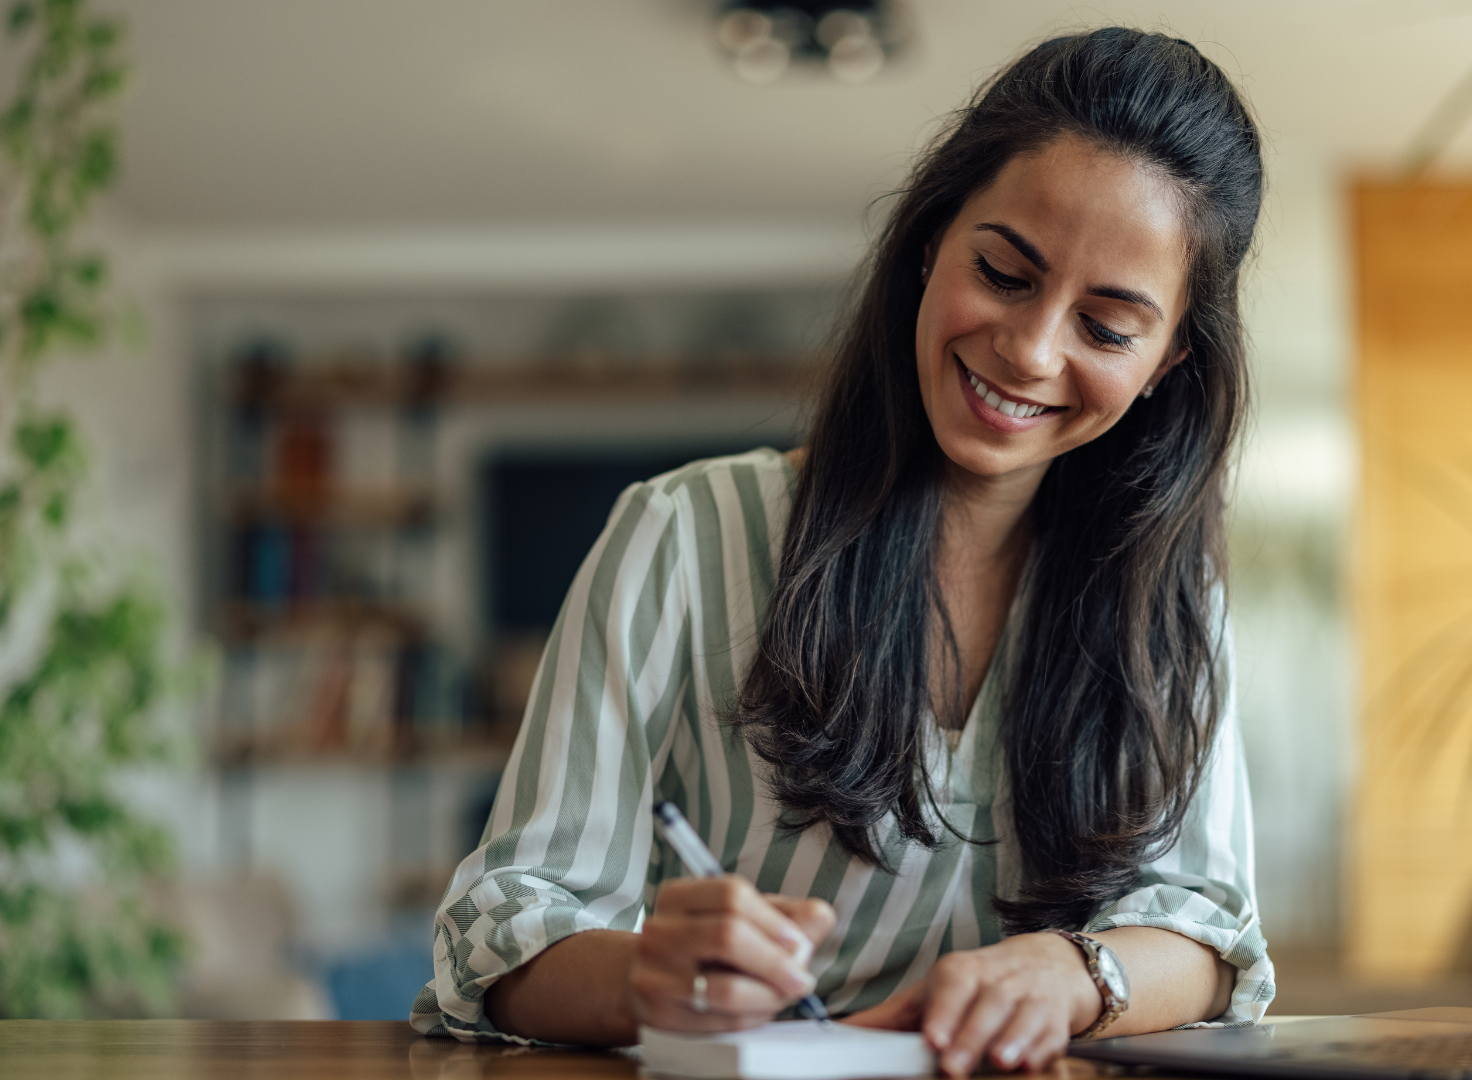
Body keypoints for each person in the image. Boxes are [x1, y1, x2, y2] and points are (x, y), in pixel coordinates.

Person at [411, 26, 1273, 1074]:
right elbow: (496, 929)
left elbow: (1215, 934)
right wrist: (648, 975)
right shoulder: (681, 536)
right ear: (929, 243)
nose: (1033, 350)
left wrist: (1075, 973)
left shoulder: (1168, 604)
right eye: (1004, 273)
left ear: (1168, 360)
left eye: (1106, 327)